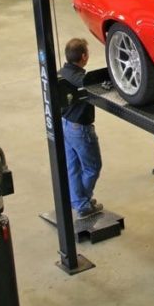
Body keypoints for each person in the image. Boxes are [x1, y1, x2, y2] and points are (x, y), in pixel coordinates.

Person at [58, 38, 103, 218]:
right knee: (93, 167)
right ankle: (82, 203)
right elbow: (93, 87)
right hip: (80, 129)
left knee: (73, 167)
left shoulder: (61, 73)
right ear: (83, 56)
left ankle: (78, 200)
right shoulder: (82, 79)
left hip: (65, 124)